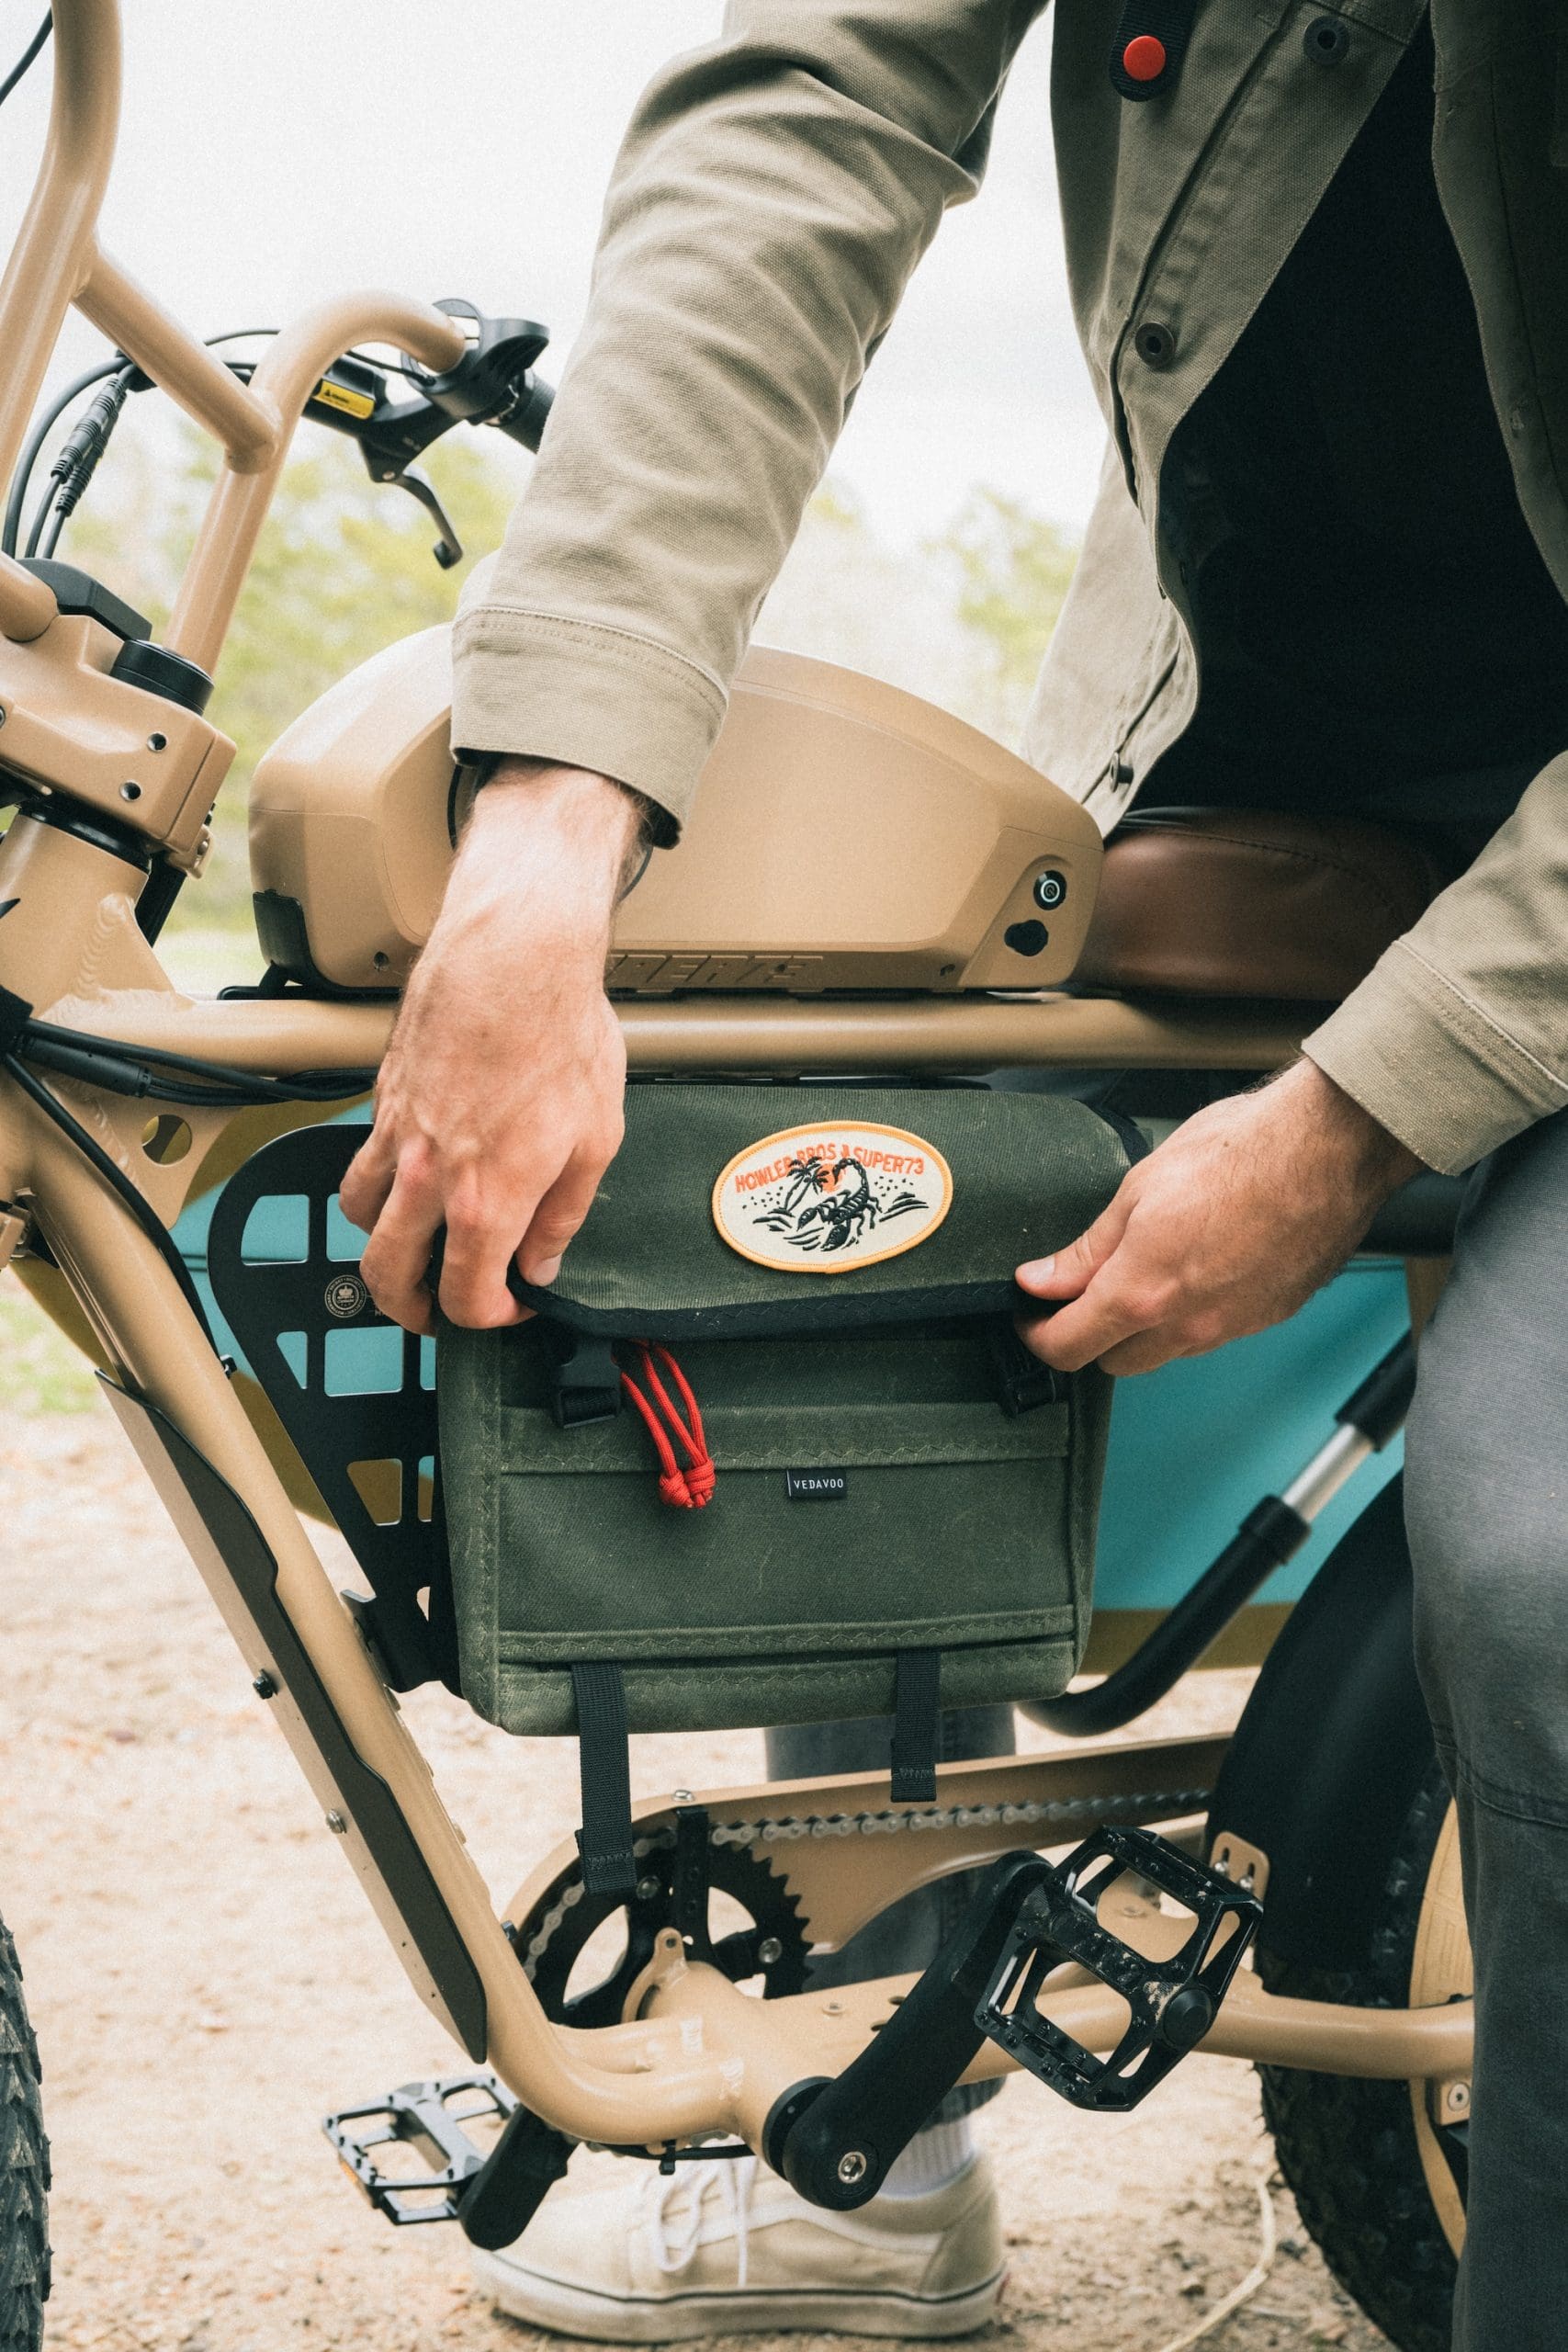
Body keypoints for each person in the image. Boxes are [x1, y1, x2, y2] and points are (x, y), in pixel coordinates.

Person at [337, 6, 1568, 2345]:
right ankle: (861, 2164)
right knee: (869, 1228)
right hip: (1251, 727)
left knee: (1539, 1539)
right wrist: (547, 819)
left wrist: (1349, 1118)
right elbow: (813, 98)